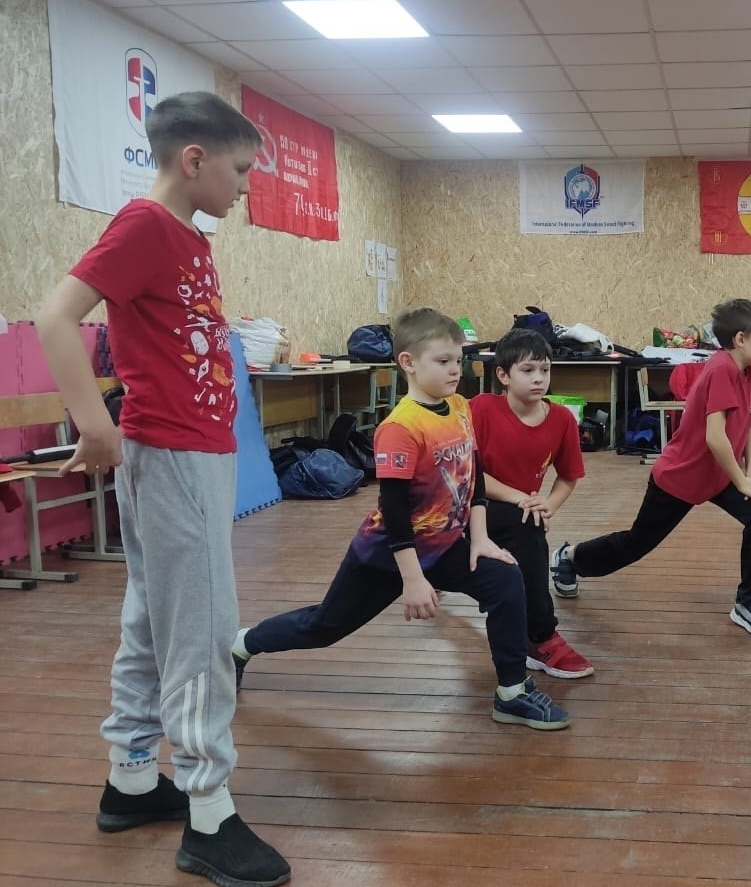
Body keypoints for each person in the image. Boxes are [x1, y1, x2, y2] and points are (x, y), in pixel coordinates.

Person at [34, 91, 292, 886]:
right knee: (204, 628)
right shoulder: (144, 225)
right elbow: (55, 317)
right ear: (194, 159)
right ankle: (209, 812)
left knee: (154, 618)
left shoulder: (186, 235)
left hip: (196, 453)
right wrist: (93, 422)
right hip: (173, 455)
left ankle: (133, 777)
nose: (244, 187)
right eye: (240, 170)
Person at [232, 307, 571, 730]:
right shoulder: (400, 428)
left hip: (444, 546)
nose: (455, 369)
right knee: (324, 627)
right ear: (408, 362)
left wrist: (481, 539)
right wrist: (412, 579)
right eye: (443, 361)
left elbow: (475, 476)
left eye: (458, 359)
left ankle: (512, 693)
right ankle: (242, 644)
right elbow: (393, 512)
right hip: (387, 556)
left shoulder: (460, 407)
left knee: (505, 580)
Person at [551, 299, 751, 638]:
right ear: (740, 339)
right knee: (636, 543)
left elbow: (750, 420)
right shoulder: (721, 369)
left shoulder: (750, 368)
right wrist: (742, 480)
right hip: (680, 477)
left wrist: (750, 475)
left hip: (719, 475)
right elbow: (715, 437)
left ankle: (750, 601)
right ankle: (570, 557)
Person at [469, 328, 593, 678]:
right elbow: (469, 474)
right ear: (503, 375)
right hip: (470, 507)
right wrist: (523, 498)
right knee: (525, 521)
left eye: (545, 369)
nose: (539, 378)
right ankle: (540, 636)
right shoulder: (481, 409)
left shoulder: (562, 419)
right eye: (527, 370)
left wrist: (548, 504)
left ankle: (535, 635)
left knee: (529, 522)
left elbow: (568, 477)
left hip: (516, 512)